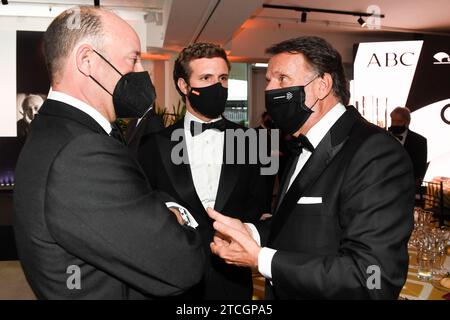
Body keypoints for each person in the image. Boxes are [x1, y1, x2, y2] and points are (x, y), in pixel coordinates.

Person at [13, 6, 205, 300]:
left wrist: (158, 210)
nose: (142, 72)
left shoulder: (57, 130)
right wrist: (174, 214)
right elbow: (182, 263)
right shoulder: (82, 153)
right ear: (87, 61)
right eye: (134, 59)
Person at [207, 36, 415, 299]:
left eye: (282, 79)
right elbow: (297, 227)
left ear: (322, 85)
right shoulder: (302, 144)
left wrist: (263, 260)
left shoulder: (375, 153)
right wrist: (250, 232)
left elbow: (372, 276)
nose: (270, 90)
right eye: (269, 80)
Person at [137, 42, 268, 299]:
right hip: (174, 275)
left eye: (222, 78)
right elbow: (146, 207)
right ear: (184, 86)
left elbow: (260, 208)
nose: (217, 86)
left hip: (233, 276)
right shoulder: (153, 145)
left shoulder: (254, 141)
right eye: (205, 78)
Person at [389, 107, 428, 187]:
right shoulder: (383, 137)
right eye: (393, 121)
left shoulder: (419, 141)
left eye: (399, 122)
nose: (395, 124)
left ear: (407, 122)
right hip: (386, 185)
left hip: (408, 186)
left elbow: (420, 167)